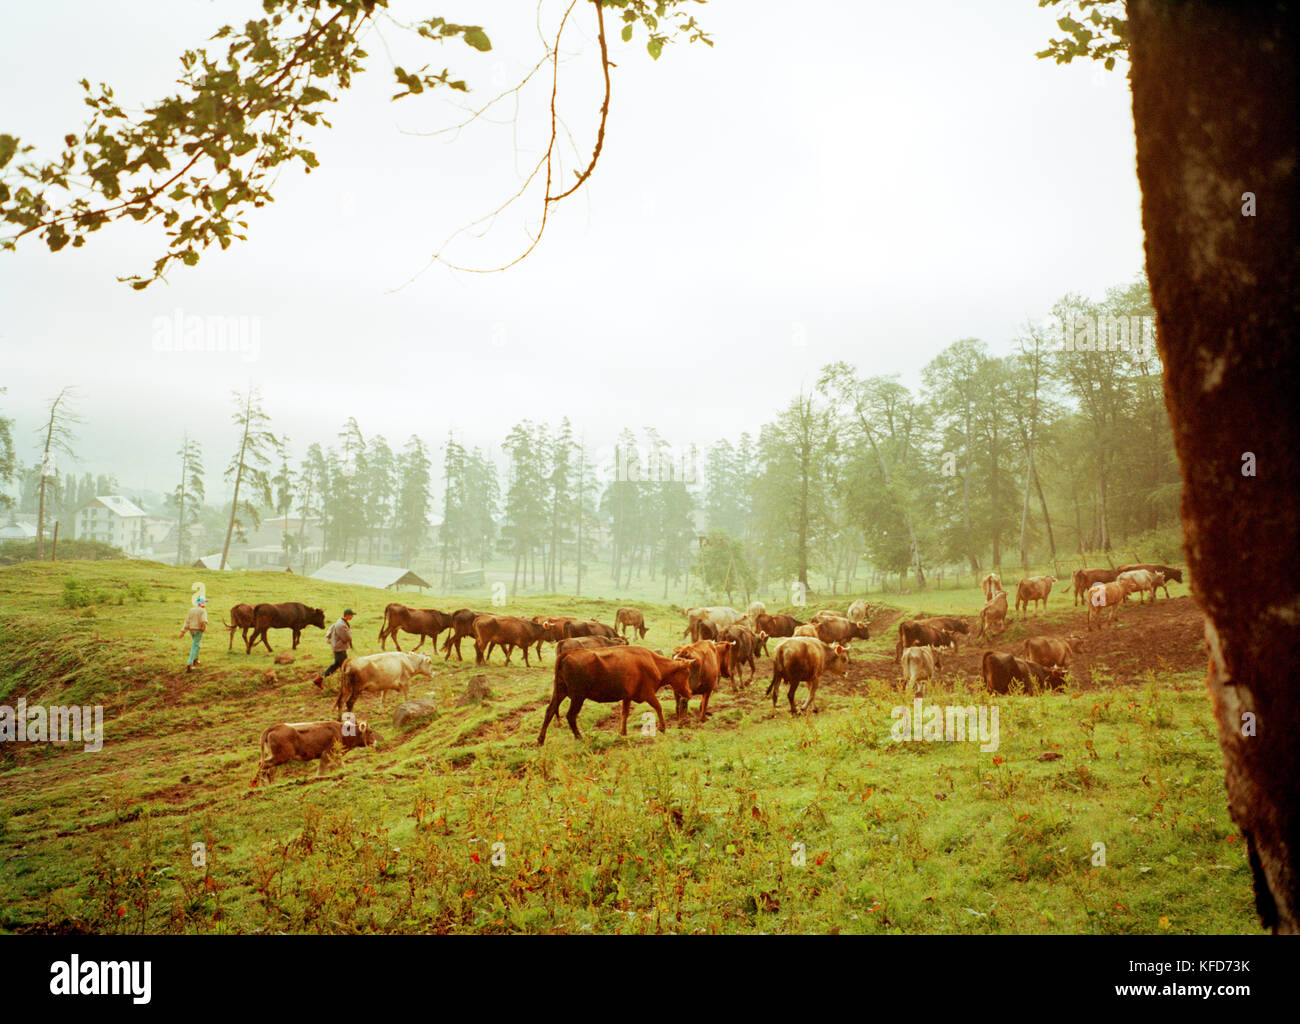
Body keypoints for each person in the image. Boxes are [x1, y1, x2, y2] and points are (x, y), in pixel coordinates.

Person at [313, 608, 355, 688]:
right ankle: (348, 684)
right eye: (351, 615)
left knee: (336, 665)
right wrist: (350, 633)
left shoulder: (342, 623)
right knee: (344, 666)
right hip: (339, 648)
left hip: (339, 647)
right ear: (347, 615)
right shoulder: (341, 625)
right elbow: (346, 638)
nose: (352, 616)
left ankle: (319, 679)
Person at [180, 596, 208, 672]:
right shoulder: (203, 610)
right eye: (204, 602)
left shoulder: (191, 610)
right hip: (198, 630)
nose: (205, 604)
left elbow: (187, 621)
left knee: (197, 645)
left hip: (191, 630)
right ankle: (190, 663)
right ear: (201, 603)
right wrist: (203, 628)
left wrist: (183, 631)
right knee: (195, 646)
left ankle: (196, 660)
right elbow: (204, 621)